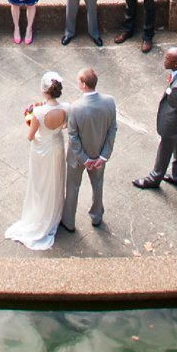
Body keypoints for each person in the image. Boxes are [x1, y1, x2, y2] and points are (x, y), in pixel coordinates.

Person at [4, 73, 70, 251]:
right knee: (55, 180)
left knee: (40, 182)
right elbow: (65, 126)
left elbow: (30, 136)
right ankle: (54, 213)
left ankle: (40, 213)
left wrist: (31, 122)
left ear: (44, 91)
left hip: (41, 149)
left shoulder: (39, 112)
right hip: (57, 145)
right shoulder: (67, 108)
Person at [132, 46, 177, 190]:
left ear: (176, 64)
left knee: (164, 152)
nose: (164, 60)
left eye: (167, 59)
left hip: (173, 125)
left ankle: (154, 178)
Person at [60, 68, 117, 234]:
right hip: (99, 154)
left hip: (78, 158)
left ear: (84, 85)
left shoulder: (75, 108)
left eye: (78, 81)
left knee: (72, 187)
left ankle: (69, 221)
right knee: (98, 185)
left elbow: (73, 137)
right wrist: (103, 156)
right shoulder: (110, 101)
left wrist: (84, 158)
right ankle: (97, 216)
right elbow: (112, 129)